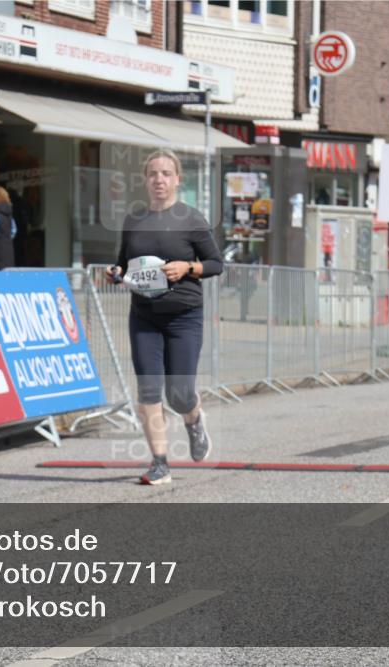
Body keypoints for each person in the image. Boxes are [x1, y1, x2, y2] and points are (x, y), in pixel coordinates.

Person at [105, 149, 223, 486]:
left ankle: (193, 419)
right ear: (145, 180)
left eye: (166, 174)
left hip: (184, 316)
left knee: (179, 394)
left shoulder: (191, 219)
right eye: (153, 173)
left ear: (177, 180)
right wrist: (115, 273)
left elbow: (216, 264)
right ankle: (159, 463)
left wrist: (188, 267)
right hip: (144, 316)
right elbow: (124, 264)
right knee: (148, 389)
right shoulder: (134, 220)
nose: (159, 179)